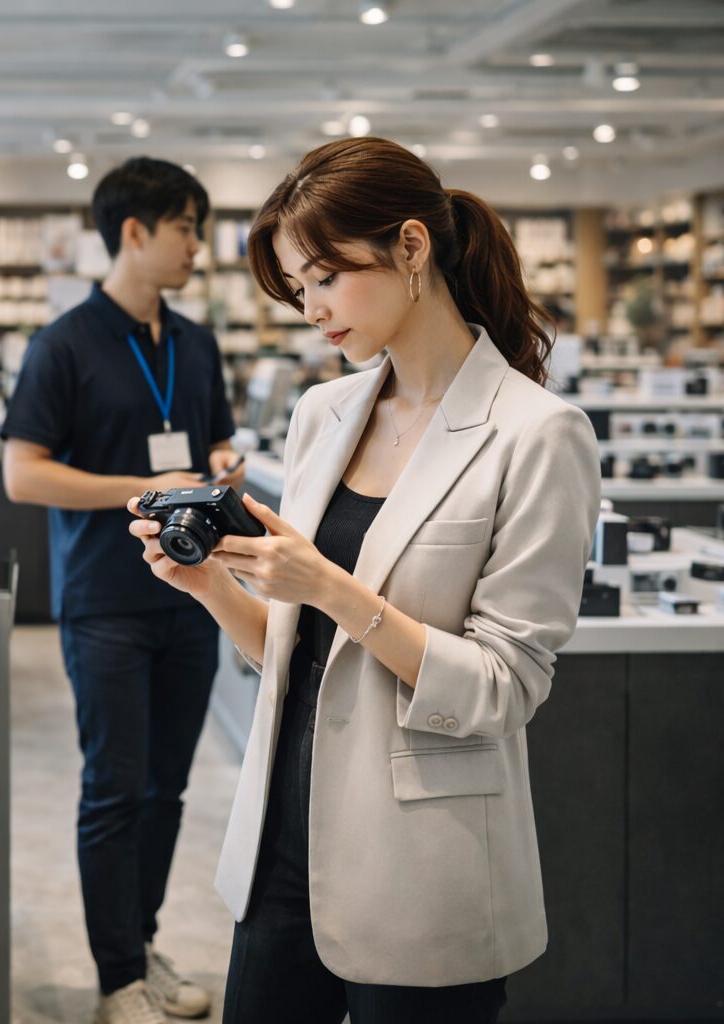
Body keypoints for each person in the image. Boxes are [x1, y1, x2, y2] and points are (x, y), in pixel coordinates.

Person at [128, 137, 600, 1023]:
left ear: (412, 248)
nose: (310, 309)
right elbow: (300, 655)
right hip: (283, 839)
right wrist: (211, 589)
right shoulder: (324, 411)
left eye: (323, 279)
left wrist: (332, 588)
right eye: (296, 289)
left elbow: (507, 686)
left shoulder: (538, 434)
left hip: (423, 859)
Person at [2, 156, 244, 1024]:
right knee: (114, 785)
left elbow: (212, 446)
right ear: (134, 231)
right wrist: (137, 490)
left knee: (166, 789)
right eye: (185, 228)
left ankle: (140, 945)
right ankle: (114, 981)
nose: (196, 247)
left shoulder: (196, 342)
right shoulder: (62, 344)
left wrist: (215, 468)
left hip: (194, 596)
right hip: (104, 601)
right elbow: (22, 476)